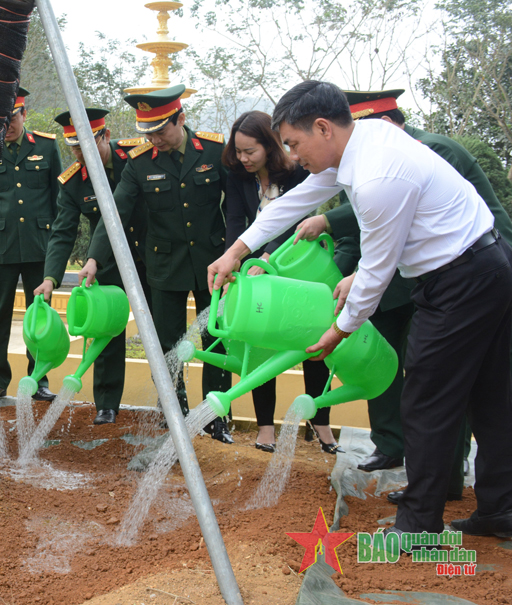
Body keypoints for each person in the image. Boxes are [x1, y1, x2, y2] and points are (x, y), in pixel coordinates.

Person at [209, 80, 512, 538]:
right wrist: (239, 249)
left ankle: (417, 525)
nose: (291, 156)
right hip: (482, 267)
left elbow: (376, 270)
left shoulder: (375, 178)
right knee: (490, 397)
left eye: (293, 142)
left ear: (323, 127)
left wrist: (339, 330)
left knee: (426, 398)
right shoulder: (363, 142)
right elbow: (297, 201)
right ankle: (501, 509)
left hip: (460, 281)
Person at [294, 87, 512, 496]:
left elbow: (401, 228)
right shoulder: (354, 161)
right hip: (415, 280)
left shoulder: (422, 153)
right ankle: (408, 457)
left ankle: (431, 499)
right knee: (404, 377)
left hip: (457, 278)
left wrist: (343, 320)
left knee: (435, 391)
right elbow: (362, 232)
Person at [80, 83, 234, 443]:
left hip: (213, 265)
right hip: (164, 268)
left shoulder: (213, 150)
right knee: (166, 344)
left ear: (180, 118)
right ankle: (174, 413)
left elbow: (236, 206)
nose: (154, 139)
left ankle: (215, 417)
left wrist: (235, 251)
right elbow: (114, 213)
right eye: (146, 133)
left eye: (160, 130)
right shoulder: (139, 163)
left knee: (217, 340)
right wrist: (92, 259)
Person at [222, 110, 339, 453]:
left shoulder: (299, 172)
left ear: (270, 146)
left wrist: (269, 257)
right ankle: (265, 428)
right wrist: (235, 260)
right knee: (262, 345)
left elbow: (294, 219)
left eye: (250, 152)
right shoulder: (237, 176)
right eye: (238, 151)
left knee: (311, 343)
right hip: (256, 272)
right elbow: (234, 222)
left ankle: (319, 423)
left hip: (297, 267)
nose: (243, 158)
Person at [34, 107, 149, 424]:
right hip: (107, 263)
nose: (79, 153)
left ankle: (171, 403)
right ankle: (107, 404)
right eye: (73, 147)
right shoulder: (72, 182)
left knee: (162, 332)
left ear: (106, 135)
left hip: (152, 256)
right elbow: (62, 231)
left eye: (86, 144)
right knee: (107, 332)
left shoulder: (137, 157)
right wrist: (50, 278)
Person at [0, 87, 62, 402]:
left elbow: (58, 201)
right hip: (0, 245)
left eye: (10, 118)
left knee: (41, 317)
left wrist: (58, 249)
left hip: (39, 245)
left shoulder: (47, 148)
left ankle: (39, 378)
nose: (5, 125)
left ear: (23, 114)